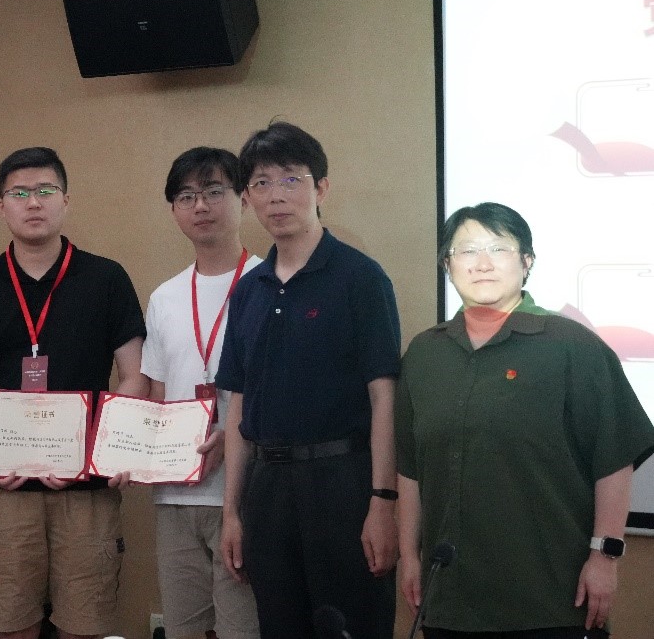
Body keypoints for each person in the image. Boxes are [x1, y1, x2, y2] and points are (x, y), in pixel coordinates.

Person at [395, 202, 654, 639]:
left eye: (498, 248)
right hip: (451, 598)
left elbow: (613, 458)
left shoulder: (573, 345)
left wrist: (604, 556)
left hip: (552, 597)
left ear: (527, 261)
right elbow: (410, 468)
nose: (482, 263)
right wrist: (410, 556)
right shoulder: (425, 353)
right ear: (447, 265)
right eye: (466, 251)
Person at [0, 146, 148, 639]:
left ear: (65, 200)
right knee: (10, 625)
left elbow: (134, 376)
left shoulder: (106, 279)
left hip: (85, 492)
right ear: (1, 207)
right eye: (19, 193)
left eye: (44, 190)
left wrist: (96, 452)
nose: (33, 202)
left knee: (85, 626)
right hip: (3, 492)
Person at [214, 122, 400, 639]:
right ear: (248, 198)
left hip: (343, 484)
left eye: (291, 179)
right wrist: (232, 513)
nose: (276, 196)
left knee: (354, 626)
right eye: (262, 183)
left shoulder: (361, 278)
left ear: (321, 188)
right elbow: (238, 406)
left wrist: (382, 502)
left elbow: (384, 397)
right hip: (267, 490)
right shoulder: (248, 290)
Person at [141, 147, 261, 639]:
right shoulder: (164, 297)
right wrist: (131, 453)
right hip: (175, 494)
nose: (201, 206)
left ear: (243, 198)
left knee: (243, 629)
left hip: (246, 493)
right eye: (187, 196)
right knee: (183, 629)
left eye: (214, 191)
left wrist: (232, 441)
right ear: (174, 209)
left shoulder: (268, 284)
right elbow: (156, 396)